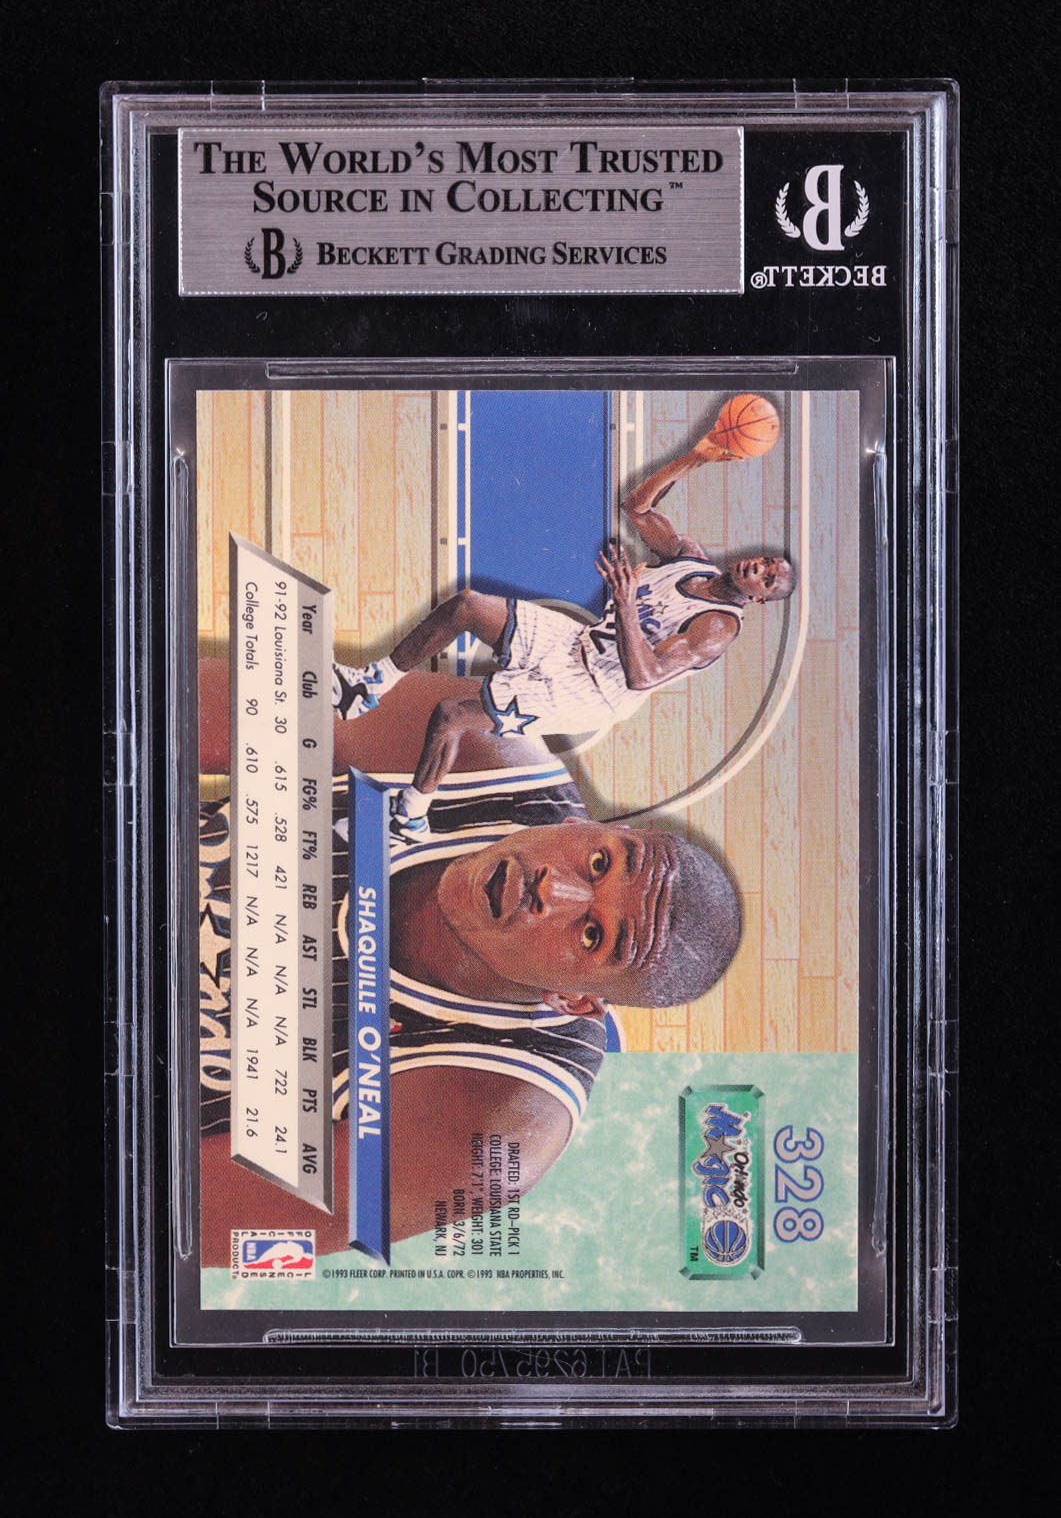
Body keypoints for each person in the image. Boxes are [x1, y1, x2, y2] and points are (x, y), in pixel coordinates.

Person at [198, 664, 742, 1262]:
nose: (552, 890)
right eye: (599, 863)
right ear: (583, 825)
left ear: (574, 1001)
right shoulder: (480, 749)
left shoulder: (500, 1125)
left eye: (592, 935)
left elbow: (194, 1220)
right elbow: (177, 711)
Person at [331, 432, 797, 840]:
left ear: (759, 599)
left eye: (769, 578)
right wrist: (697, 456)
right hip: (577, 643)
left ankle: (410, 817)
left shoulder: (717, 627)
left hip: (593, 690)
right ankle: (369, 684)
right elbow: (638, 506)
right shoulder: (689, 559)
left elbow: (644, 676)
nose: (760, 567)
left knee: (451, 715)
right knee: (467, 606)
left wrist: (626, 602)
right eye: (766, 561)